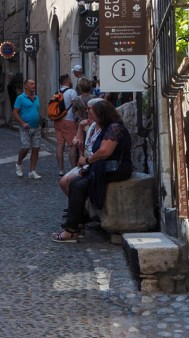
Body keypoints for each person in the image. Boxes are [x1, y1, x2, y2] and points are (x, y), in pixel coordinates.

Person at [51, 98, 132, 242]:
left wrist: (87, 161)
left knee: (78, 186)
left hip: (117, 169)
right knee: (77, 184)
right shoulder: (107, 127)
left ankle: (71, 230)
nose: (89, 114)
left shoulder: (114, 128)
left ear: (102, 114)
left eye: (92, 112)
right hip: (105, 168)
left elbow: (104, 152)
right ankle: (77, 223)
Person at [12, 78, 42, 179]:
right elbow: (15, 112)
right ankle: (19, 164)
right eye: (31, 84)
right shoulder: (21, 98)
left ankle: (32, 171)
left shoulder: (37, 98)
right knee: (25, 147)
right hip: (25, 127)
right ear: (26, 86)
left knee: (36, 149)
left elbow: (37, 110)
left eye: (34, 83)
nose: (34, 85)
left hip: (36, 127)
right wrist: (22, 123)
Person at [54, 73, 78, 176]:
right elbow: (75, 107)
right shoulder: (72, 92)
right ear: (66, 81)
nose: (71, 81)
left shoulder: (57, 92)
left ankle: (61, 169)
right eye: (69, 79)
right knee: (72, 145)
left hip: (58, 121)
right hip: (69, 120)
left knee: (60, 145)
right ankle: (73, 169)